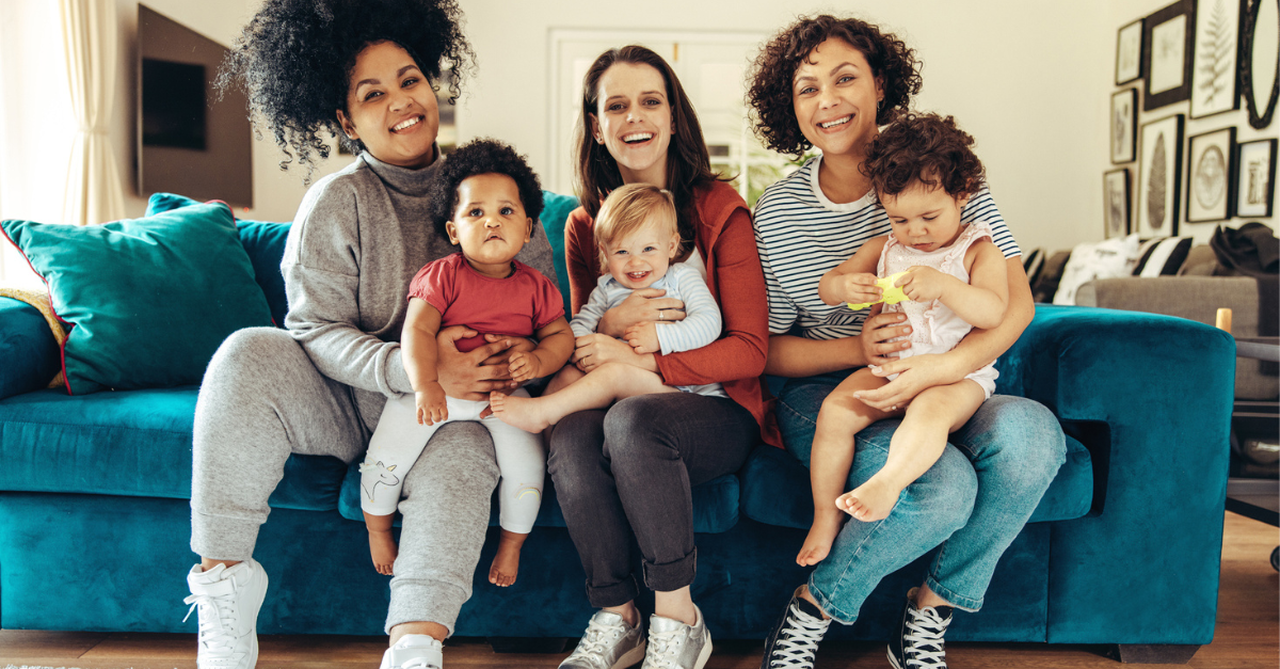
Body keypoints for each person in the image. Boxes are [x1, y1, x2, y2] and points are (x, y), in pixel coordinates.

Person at [184, 2, 558, 668]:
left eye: (410, 80)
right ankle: (225, 587)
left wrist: (509, 364)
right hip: (350, 401)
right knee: (246, 353)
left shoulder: (495, 196)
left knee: (471, 445)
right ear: (344, 120)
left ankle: (414, 645)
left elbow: (543, 322)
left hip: (454, 416)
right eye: (372, 92)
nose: (401, 101)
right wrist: (411, 368)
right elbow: (312, 329)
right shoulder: (335, 202)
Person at [746, 15, 1066, 669]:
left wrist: (941, 368)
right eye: (808, 88)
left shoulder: (940, 175)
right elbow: (767, 349)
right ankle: (815, 607)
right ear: (791, 106)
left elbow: (1016, 305)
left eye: (845, 79)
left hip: (954, 371)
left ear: (880, 84)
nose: (827, 101)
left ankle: (929, 611)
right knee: (941, 488)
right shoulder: (778, 210)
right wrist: (858, 349)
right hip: (833, 385)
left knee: (1036, 440)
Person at [549, 45, 773, 669]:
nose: (634, 117)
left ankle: (678, 620)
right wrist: (615, 323)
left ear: (674, 117)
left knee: (632, 420)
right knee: (570, 432)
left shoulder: (718, 210)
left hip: (715, 410)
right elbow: (585, 340)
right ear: (597, 126)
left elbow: (749, 350)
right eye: (615, 106)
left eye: (650, 101)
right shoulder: (585, 226)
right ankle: (617, 617)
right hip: (624, 391)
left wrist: (646, 363)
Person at [797, 113, 1009, 568]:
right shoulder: (885, 249)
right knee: (834, 411)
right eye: (900, 218)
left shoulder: (978, 249)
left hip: (956, 377)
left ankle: (889, 482)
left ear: (963, 192)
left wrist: (947, 286)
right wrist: (845, 288)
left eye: (930, 216)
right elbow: (828, 283)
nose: (916, 231)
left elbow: (995, 311)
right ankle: (824, 516)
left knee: (930, 412)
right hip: (891, 369)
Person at [360, 138, 573, 587]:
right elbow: (416, 332)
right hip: (436, 391)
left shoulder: (537, 287)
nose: (492, 221)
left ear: (529, 229)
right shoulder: (442, 275)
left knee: (527, 465)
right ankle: (378, 529)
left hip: (503, 398)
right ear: (454, 230)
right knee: (388, 454)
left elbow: (560, 337)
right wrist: (425, 386)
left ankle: (512, 544)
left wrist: (536, 361)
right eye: (475, 212)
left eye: (506, 212)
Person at [490, 183, 724, 433]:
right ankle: (547, 449)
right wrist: (589, 345)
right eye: (622, 251)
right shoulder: (606, 288)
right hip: (623, 381)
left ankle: (540, 414)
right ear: (605, 252)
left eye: (648, 249)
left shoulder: (681, 277)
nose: (636, 262)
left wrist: (660, 337)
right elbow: (577, 329)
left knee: (614, 374)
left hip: (679, 387)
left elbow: (710, 322)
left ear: (670, 246)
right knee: (569, 376)